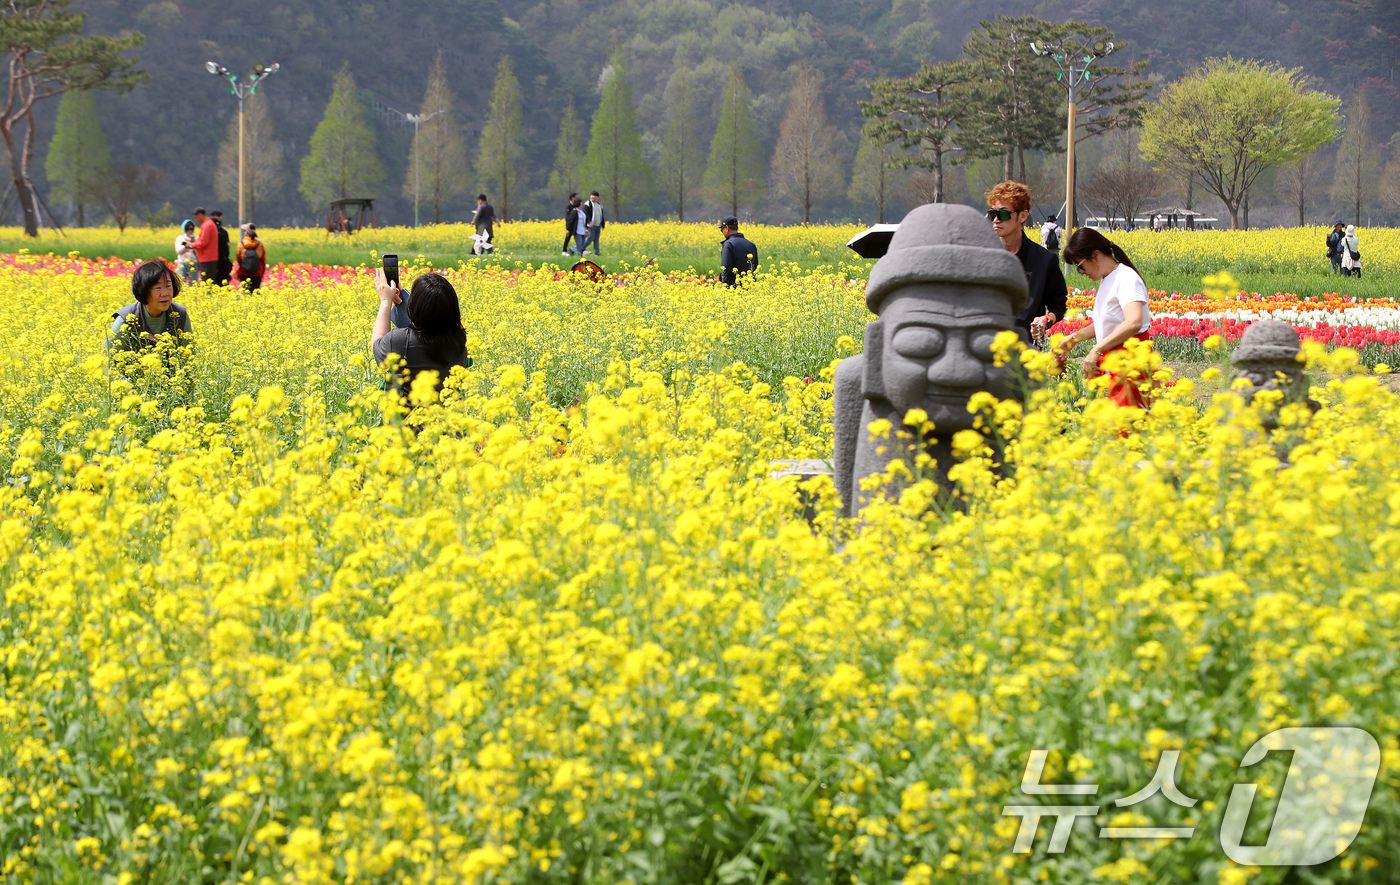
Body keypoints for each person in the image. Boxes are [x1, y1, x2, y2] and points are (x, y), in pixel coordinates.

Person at [1053, 228, 1154, 410]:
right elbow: (1107, 323)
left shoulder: (1126, 278)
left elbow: (1134, 321)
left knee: (1128, 422)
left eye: (1080, 266)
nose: (1081, 272)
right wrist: (1073, 338)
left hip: (1130, 363)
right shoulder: (1109, 278)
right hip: (1116, 361)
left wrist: (1097, 349)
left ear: (1096, 256)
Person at [986, 182, 1067, 346]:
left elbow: (1058, 304)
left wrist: (1045, 319)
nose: (996, 220)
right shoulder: (981, 256)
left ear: (1023, 216)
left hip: (1025, 350)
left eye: (1003, 214)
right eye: (992, 214)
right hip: (984, 347)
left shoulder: (1044, 260)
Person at [371, 270, 473, 398]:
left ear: (414, 306)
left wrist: (386, 301)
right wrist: (407, 303)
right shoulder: (460, 340)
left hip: (407, 411)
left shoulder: (401, 340)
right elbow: (432, 325)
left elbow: (376, 345)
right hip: (450, 410)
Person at [109, 259, 193, 353]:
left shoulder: (180, 315)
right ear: (144, 291)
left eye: (168, 286)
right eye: (158, 288)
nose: (165, 293)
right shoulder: (125, 319)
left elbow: (191, 353)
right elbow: (107, 356)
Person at [718, 216, 758, 286]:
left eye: (722, 230)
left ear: (727, 228)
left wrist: (725, 286)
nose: (722, 232)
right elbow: (755, 268)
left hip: (734, 288)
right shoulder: (751, 245)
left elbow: (726, 268)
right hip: (749, 287)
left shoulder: (728, 244)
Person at [234, 223, 267, 291]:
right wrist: (262, 272)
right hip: (257, 272)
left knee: (246, 292)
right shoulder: (260, 245)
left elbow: (239, 259)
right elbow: (263, 260)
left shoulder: (241, 244)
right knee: (255, 292)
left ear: (246, 233)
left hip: (244, 272)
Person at [192, 207, 220, 282]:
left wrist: (191, 245)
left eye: (196, 217)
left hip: (207, 258)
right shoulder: (209, 223)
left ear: (200, 215)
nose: (196, 220)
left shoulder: (207, 225)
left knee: (207, 281)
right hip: (210, 258)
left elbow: (203, 243)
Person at [211, 211, 232, 285]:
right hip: (223, 261)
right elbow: (228, 246)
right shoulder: (223, 232)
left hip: (217, 261)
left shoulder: (222, 232)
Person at [175, 219, 198, 285]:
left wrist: (193, 244)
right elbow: (178, 251)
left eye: (191, 229)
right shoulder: (180, 238)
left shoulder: (196, 238)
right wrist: (186, 246)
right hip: (182, 262)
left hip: (194, 262)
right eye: (187, 229)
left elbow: (199, 250)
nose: (190, 231)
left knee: (193, 283)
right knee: (181, 283)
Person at [581, 191, 604, 256]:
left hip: (598, 224)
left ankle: (597, 252)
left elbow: (601, 215)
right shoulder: (587, 204)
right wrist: (589, 222)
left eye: (595, 196)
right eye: (592, 195)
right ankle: (581, 248)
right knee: (591, 237)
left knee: (596, 239)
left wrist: (602, 224)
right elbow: (586, 214)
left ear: (597, 197)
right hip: (591, 225)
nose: (593, 197)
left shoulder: (599, 205)